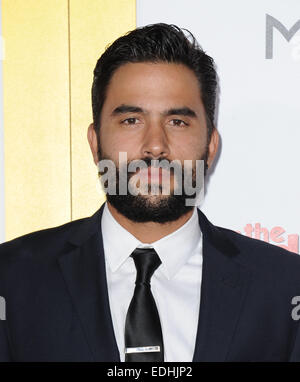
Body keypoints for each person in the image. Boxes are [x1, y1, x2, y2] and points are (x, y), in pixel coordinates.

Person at [1, 23, 300, 362]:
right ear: (95, 143)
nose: (155, 146)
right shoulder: (11, 280)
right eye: (131, 120)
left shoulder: (285, 289)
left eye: (178, 122)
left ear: (211, 146)